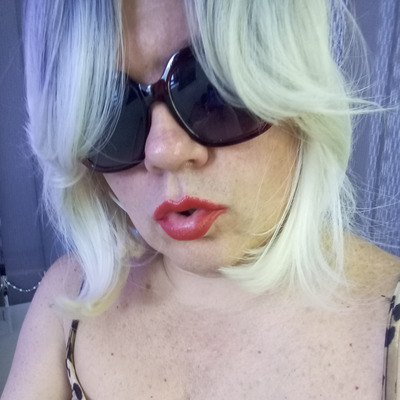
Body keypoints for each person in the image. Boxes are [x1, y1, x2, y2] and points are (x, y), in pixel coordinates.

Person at [2, 0, 400, 399]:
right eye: (111, 112)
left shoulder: (388, 330)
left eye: (213, 90)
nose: (164, 151)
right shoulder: (68, 298)